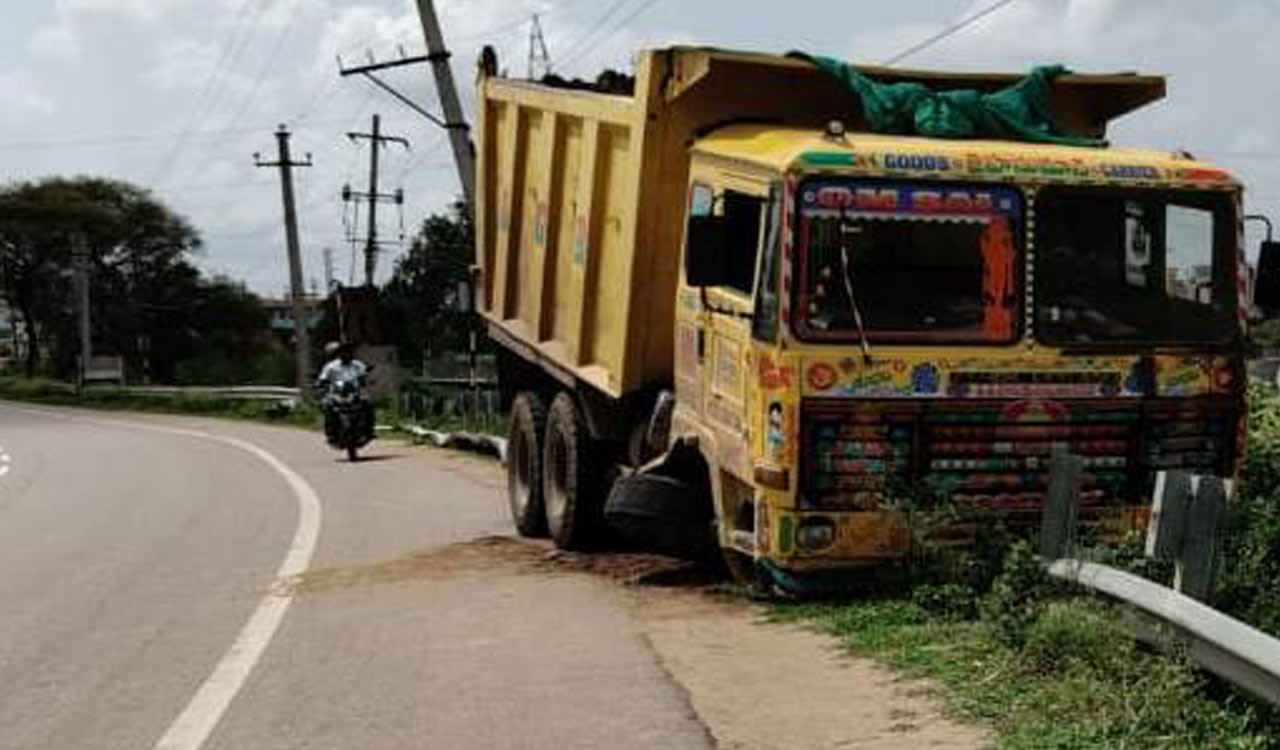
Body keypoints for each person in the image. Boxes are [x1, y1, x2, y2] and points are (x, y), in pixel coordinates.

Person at [315, 341, 373, 442]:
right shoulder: (331, 366)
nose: (346, 355)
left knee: (368, 401)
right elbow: (323, 378)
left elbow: (363, 375)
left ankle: (369, 429)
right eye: (343, 352)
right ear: (339, 354)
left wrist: (365, 380)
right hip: (336, 392)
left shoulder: (357, 364)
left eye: (348, 352)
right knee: (328, 405)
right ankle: (330, 431)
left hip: (354, 392)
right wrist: (320, 384)